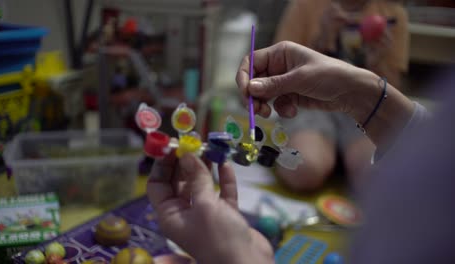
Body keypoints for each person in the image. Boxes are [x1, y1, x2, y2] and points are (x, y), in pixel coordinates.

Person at [146, 41, 455, 264]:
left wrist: (237, 257)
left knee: (369, 177)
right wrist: (359, 90)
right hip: (325, 105)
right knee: (309, 166)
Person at [272, 0, 409, 191]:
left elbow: (393, 95)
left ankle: (334, 157)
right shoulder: (305, 5)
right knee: (303, 168)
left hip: (363, 110)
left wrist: (377, 62)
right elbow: (280, 72)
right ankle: (326, 155)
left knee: (375, 179)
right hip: (310, 103)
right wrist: (321, 41)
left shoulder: (392, 13)